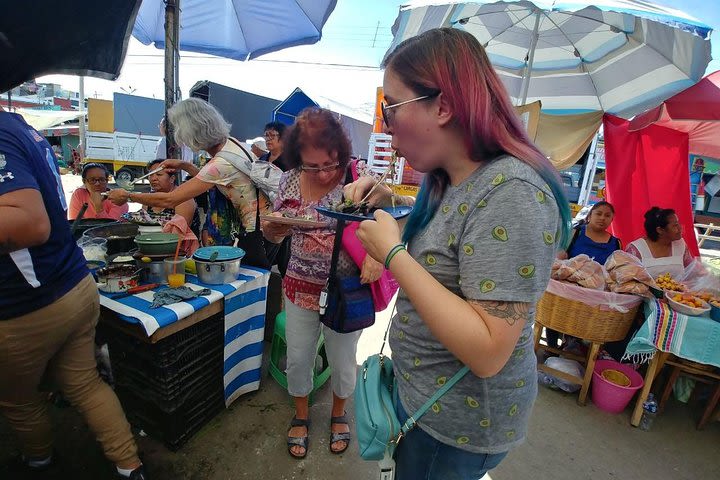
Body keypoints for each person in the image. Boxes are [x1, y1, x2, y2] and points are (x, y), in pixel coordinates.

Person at [345, 28, 570, 480]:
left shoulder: (513, 194)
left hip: (455, 426)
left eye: (391, 106)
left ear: (443, 105)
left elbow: (488, 350)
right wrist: (389, 201)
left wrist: (392, 255)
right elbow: (452, 237)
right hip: (425, 401)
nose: (386, 121)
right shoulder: (450, 178)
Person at [0, 106, 147, 479]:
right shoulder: (21, 128)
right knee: (85, 382)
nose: (98, 183)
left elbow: (30, 223)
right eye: (93, 179)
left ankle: (38, 462)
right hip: (75, 285)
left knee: (19, 399)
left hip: (25, 303)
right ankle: (130, 466)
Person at [261, 108, 383, 459]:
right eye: (313, 165)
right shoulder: (289, 180)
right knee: (299, 358)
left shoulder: (357, 178)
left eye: (330, 163)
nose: (324, 172)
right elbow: (272, 229)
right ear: (299, 156)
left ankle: (338, 413)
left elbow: (385, 220)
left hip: (346, 288)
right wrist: (275, 227)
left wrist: (375, 257)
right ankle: (301, 415)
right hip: (299, 283)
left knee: (344, 360)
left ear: (341, 153)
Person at [107, 98, 280, 269]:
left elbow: (171, 199)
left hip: (257, 234)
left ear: (192, 132)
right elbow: (216, 181)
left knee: (249, 285)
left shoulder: (220, 164)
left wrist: (129, 195)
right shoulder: (231, 143)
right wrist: (185, 165)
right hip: (266, 225)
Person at [140, 158, 199, 256]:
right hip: (153, 250)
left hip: (180, 254)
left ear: (172, 179)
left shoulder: (183, 198)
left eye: (159, 174)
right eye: (150, 175)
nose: (153, 178)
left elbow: (178, 235)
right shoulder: (149, 200)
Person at [626, 206, 694, 279]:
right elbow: (628, 278)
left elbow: (692, 272)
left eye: (678, 223)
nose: (680, 228)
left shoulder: (680, 245)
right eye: (675, 225)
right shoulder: (636, 249)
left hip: (678, 290)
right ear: (660, 230)